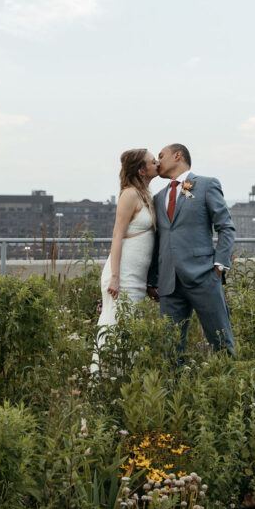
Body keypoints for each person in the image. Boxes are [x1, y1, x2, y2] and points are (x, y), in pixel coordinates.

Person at [147, 143, 236, 355]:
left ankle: (229, 385)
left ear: (178, 156)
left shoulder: (206, 185)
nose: (157, 162)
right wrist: (152, 279)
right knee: (170, 348)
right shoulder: (158, 198)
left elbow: (225, 227)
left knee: (221, 341)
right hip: (168, 284)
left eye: (161, 156)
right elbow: (157, 241)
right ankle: (175, 388)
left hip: (204, 276)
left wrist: (219, 266)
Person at [92, 148, 160, 369]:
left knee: (130, 327)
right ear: (141, 170)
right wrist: (114, 276)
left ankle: (125, 379)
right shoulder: (129, 194)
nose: (157, 163)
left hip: (137, 277)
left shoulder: (145, 194)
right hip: (123, 274)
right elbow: (117, 235)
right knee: (116, 326)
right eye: (152, 161)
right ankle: (104, 380)